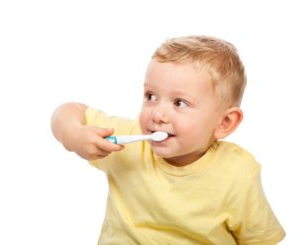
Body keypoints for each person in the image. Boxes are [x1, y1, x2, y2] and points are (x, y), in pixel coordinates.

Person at [51, 35, 285, 244]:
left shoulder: (237, 171)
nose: (158, 114)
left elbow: (259, 240)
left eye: (179, 103)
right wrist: (74, 134)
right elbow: (69, 111)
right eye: (150, 96)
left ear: (224, 123)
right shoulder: (126, 144)